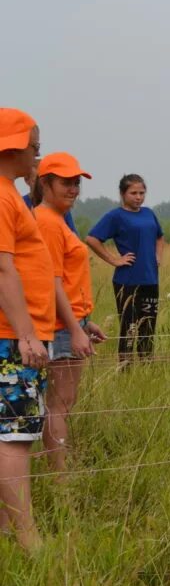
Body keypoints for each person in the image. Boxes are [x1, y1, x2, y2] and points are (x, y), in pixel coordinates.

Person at [0, 108, 55, 552]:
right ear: (13, 144)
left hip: (12, 332)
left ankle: (6, 529)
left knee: (9, 434)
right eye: (34, 142)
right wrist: (26, 334)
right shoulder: (1, 197)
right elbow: (2, 269)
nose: (38, 150)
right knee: (14, 437)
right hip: (10, 336)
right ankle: (27, 538)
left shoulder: (9, 195)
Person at [33, 152, 107, 473]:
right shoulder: (47, 222)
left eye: (77, 183)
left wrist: (84, 322)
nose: (74, 189)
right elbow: (51, 282)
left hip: (70, 321)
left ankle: (58, 466)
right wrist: (74, 328)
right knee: (59, 404)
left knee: (64, 402)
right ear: (45, 183)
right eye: (66, 182)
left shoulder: (56, 220)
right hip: (60, 326)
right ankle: (59, 476)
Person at [85, 174, 164, 369]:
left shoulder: (149, 213)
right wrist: (114, 259)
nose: (138, 197)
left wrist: (158, 256)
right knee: (129, 326)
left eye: (142, 193)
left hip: (151, 279)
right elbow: (92, 239)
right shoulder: (115, 216)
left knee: (148, 326)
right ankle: (125, 368)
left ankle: (147, 365)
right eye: (134, 193)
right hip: (127, 280)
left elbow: (160, 237)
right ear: (122, 194)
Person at [22, 156, 76, 233]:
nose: (42, 186)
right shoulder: (20, 205)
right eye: (36, 181)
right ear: (27, 180)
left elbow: (73, 234)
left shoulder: (59, 207)